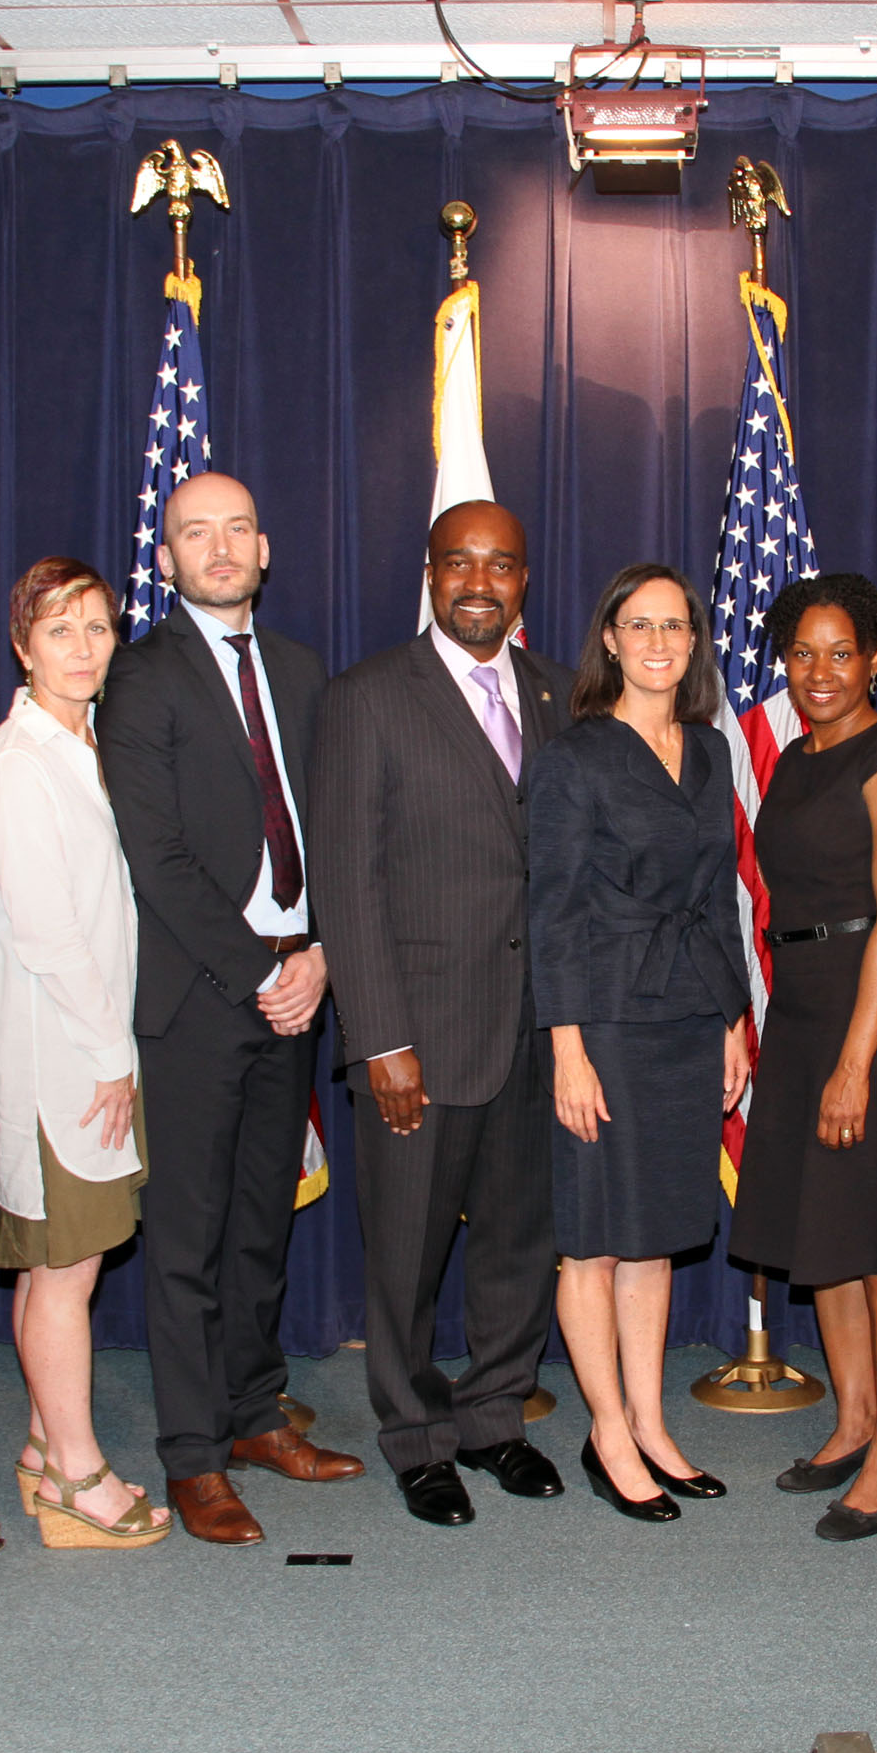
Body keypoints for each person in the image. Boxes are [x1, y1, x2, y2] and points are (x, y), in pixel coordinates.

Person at [101, 471, 364, 1550]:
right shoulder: (142, 678)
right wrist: (263, 967)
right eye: (193, 533)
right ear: (165, 559)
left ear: (267, 547)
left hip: (298, 987)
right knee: (189, 1240)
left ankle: (255, 1417)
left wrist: (324, 954)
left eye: (237, 529)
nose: (219, 548)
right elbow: (154, 855)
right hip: (204, 997)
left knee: (265, 1223)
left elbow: (345, 826)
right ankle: (193, 1457)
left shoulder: (303, 672)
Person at [308, 500, 569, 1528]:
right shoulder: (368, 697)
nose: (479, 582)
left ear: (523, 584)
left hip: (537, 1029)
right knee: (408, 1249)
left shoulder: (555, 693)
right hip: (418, 1034)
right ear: (428, 572)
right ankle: (416, 1435)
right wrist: (379, 1038)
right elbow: (347, 879)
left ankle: (495, 1415)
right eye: (458, 562)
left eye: (500, 565)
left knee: (520, 1240)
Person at [730, 573, 877, 1542]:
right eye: (802, 654)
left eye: (841, 653)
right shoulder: (791, 759)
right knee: (826, 1237)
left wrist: (855, 1064)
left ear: (876, 657)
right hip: (801, 1009)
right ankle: (856, 1419)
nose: (820, 672)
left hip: (875, 1016)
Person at [525, 564, 751, 1524]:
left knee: (656, 1236)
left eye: (676, 626)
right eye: (639, 625)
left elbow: (719, 896)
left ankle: (653, 1424)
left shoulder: (706, 753)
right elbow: (554, 909)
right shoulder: (575, 757)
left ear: (695, 643)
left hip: (689, 1020)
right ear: (609, 640)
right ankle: (607, 1432)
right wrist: (566, 1048)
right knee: (595, 1244)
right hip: (607, 1019)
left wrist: (735, 1016)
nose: (659, 642)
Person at [0, 559, 170, 1550]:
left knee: (54, 1268)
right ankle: (79, 1478)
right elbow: (46, 934)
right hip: (65, 1055)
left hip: (90, 1047)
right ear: (23, 644)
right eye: (61, 631)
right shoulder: (17, 762)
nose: (85, 648)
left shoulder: (85, 744)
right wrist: (109, 1055)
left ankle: (47, 1449)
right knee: (67, 1273)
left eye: (98, 627)